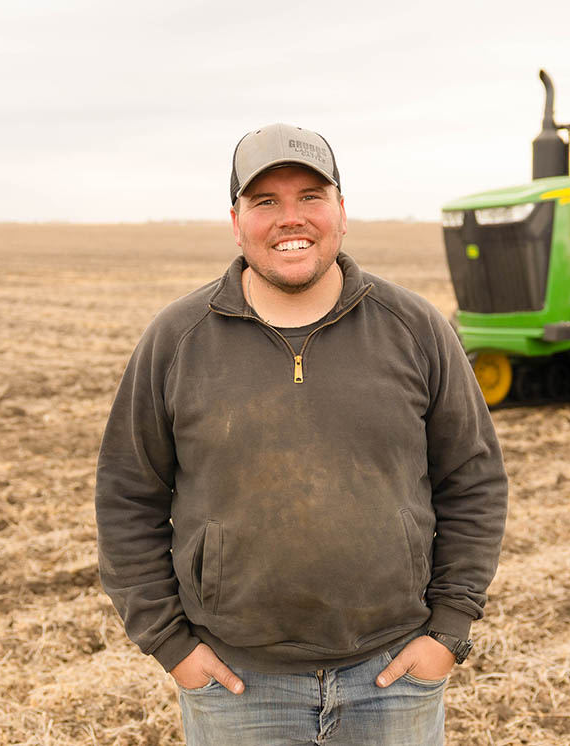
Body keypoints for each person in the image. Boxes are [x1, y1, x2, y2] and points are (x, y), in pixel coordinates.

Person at [95, 122, 508, 745]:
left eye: (311, 196)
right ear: (236, 222)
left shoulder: (415, 329)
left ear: (341, 210)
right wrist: (170, 643)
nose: (292, 218)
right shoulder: (177, 340)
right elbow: (128, 497)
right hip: (237, 685)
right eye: (265, 202)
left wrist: (447, 631)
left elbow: (473, 481)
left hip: (393, 678)